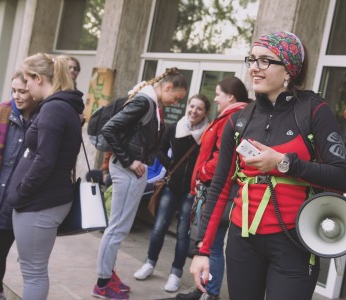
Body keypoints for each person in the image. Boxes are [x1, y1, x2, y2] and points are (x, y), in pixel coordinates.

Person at [189, 31, 346, 300]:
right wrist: (202, 249)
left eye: (265, 61)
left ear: (289, 69)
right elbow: (219, 187)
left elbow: (342, 177)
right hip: (242, 241)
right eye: (252, 60)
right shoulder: (238, 120)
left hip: (294, 241)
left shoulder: (314, 110)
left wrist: (284, 163)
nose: (254, 67)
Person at [92, 68, 188, 300]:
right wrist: (130, 161)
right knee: (116, 229)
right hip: (126, 170)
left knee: (118, 229)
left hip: (130, 171)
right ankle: (102, 284)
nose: (176, 102)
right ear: (167, 87)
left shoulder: (149, 102)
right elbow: (110, 129)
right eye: (176, 97)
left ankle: (107, 274)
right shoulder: (146, 102)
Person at [5, 53, 84, 300]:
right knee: (34, 271)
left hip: (40, 203)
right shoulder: (57, 106)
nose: (25, 88)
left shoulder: (53, 109)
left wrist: (21, 192)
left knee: (34, 273)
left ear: (38, 79)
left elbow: (45, 161)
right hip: (41, 201)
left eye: (27, 81)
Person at [177, 77, 251, 300]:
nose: (216, 98)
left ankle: (210, 293)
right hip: (215, 189)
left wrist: (202, 173)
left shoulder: (233, 118)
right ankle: (204, 291)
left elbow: (222, 158)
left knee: (213, 246)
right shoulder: (232, 116)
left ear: (230, 96)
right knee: (210, 244)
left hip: (218, 191)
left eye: (219, 94)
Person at [133, 94, 210, 292]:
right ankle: (149, 263)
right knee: (159, 227)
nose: (194, 111)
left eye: (199, 108)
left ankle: (175, 274)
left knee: (184, 234)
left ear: (205, 113)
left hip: (191, 191)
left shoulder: (208, 134)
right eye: (191, 106)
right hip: (171, 187)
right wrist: (170, 165)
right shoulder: (176, 127)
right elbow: (160, 150)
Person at [0, 71, 38, 300]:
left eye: (22, 91)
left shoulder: (41, 119)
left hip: (13, 203)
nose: (17, 96)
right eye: (13, 90)